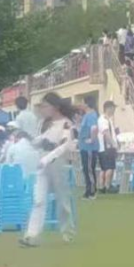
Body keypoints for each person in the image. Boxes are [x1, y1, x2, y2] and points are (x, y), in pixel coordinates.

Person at [20, 92, 78, 247]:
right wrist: (26, 136)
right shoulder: (48, 124)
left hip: (58, 165)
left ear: (55, 107)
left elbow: (64, 146)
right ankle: (31, 235)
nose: (43, 109)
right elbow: (38, 141)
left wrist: (47, 159)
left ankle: (68, 232)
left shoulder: (66, 124)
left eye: (45, 106)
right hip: (43, 165)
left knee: (63, 201)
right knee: (38, 200)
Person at [78, 101, 100, 199]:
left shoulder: (91, 115)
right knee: (86, 169)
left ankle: (91, 191)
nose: (81, 104)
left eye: (83, 102)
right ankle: (88, 190)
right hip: (84, 146)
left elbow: (94, 128)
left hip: (89, 148)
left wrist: (92, 139)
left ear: (87, 104)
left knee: (89, 169)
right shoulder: (86, 116)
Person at [97, 100, 120, 193]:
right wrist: (113, 144)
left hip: (104, 148)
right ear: (108, 108)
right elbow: (106, 133)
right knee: (110, 167)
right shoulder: (103, 120)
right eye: (113, 108)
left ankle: (102, 186)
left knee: (104, 168)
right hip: (107, 147)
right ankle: (107, 186)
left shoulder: (107, 119)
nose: (114, 110)